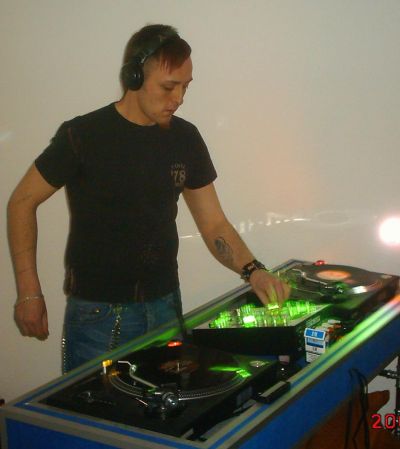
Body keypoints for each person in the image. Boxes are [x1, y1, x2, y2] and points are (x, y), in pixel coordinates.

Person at [7, 24, 290, 372]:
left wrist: (254, 271)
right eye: (169, 87)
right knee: (95, 408)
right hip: (99, 316)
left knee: (168, 406)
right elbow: (21, 202)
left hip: (165, 308)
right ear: (135, 76)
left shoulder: (185, 138)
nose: (179, 98)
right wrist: (29, 292)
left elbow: (214, 224)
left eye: (185, 87)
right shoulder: (83, 135)